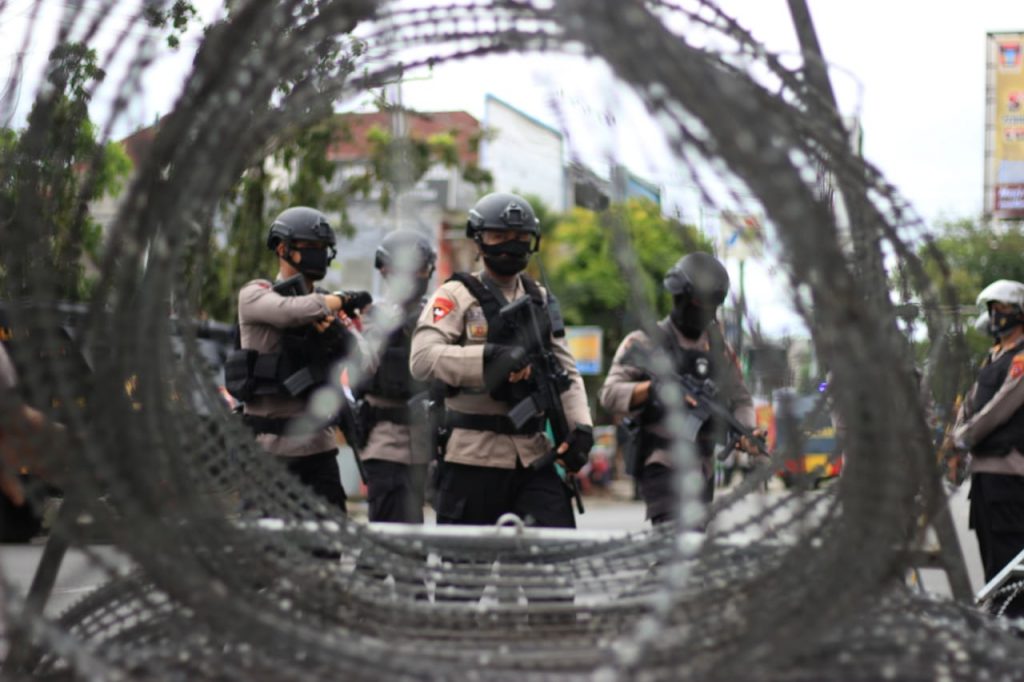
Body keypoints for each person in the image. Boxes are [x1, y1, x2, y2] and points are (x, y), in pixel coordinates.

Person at [409, 192, 593, 528]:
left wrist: (581, 427)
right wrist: (488, 359)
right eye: (499, 236)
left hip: (533, 458)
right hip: (472, 458)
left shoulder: (540, 299)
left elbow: (566, 370)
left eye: (521, 238)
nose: (511, 245)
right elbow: (422, 358)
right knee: (464, 576)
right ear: (479, 240)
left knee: (554, 564)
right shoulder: (454, 296)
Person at [599, 252, 762, 525]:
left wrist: (747, 431)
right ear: (681, 296)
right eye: (699, 302)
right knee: (673, 542)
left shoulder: (719, 351)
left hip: (703, 469)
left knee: (691, 549)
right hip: (661, 463)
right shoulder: (645, 342)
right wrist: (652, 389)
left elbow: (741, 399)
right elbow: (609, 395)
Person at [230, 206, 367, 515]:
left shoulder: (327, 304)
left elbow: (366, 359)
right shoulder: (255, 293)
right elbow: (287, 311)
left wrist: (339, 337)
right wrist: (341, 300)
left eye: (323, 248)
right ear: (283, 248)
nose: (319, 255)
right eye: (310, 247)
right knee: (264, 551)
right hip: (268, 452)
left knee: (327, 552)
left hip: (318, 452)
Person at [952, 279, 1024, 616]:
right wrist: (956, 433)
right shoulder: (992, 357)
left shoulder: (1021, 358)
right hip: (983, 477)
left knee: (1010, 565)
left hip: (1009, 475)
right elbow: (969, 404)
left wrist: (964, 436)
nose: (996, 316)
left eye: (1002, 309)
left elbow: (999, 408)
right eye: (992, 309)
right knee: (991, 562)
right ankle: (1000, 627)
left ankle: (1013, 630)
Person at [357, 229, 437, 523]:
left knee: (415, 536)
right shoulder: (371, 316)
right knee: (385, 534)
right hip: (385, 444)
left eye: (419, 269)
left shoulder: (438, 316)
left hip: (427, 447)